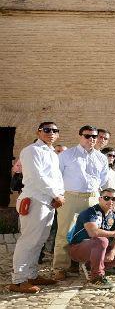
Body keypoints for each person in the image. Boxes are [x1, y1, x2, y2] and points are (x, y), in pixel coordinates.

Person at [10, 122, 65, 294]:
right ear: (39, 132)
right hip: (34, 199)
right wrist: (56, 195)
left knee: (39, 241)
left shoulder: (52, 153)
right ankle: (19, 280)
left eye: (55, 131)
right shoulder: (31, 150)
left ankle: (32, 275)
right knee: (28, 241)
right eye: (47, 130)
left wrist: (58, 195)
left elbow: (56, 178)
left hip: (47, 201)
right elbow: (36, 176)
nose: (51, 133)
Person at [54, 125, 109, 281]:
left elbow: (103, 179)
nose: (91, 139)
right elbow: (57, 176)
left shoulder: (101, 158)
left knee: (92, 233)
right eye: (87, 136)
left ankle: (89, 265)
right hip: (71, 196)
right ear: (80, 136)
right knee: (65, 232)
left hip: (93, 197)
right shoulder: (66, 155)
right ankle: (60, 267)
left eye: (94, 136)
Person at [67, 188, 115, 289]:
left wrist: (112, 253)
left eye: (114, 199)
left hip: (99, 249)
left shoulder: (114, 216)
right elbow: (93, 232)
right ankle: (96, 277)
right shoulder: (90, 213)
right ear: (100, 199)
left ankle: (92, 265)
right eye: (107, 198)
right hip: (78, 249)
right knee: (101, 240)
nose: (110, 201)